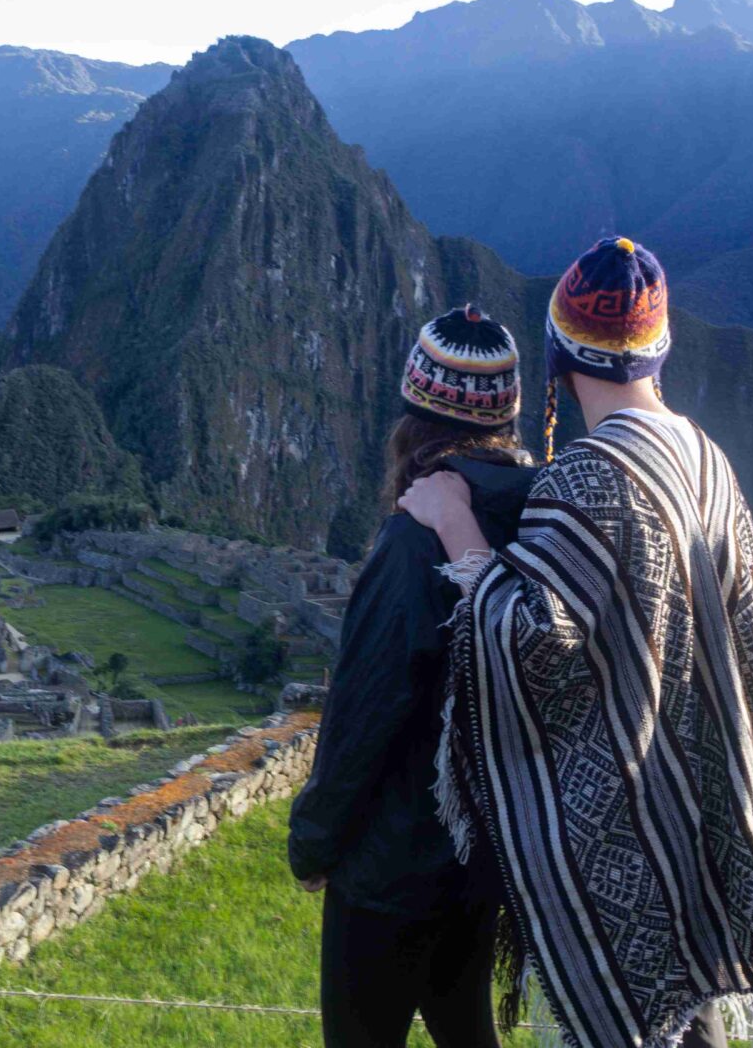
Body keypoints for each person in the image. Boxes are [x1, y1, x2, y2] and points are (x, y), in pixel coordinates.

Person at [401, 238, 753, 1048]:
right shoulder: (708, 457)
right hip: (704, 814)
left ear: (556, 355)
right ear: (660, 350)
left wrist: (453, 521)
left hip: (628, 842)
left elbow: (527, 641)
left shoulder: (587, 477)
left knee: (646, 1024)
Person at [289, 305, 538, 1048]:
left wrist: (314, 843)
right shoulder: (542, 513)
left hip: (390, 874)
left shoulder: (412, 540)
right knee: (467, 1033)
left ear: (413, 415)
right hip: (478, 861)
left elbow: (365, 712)